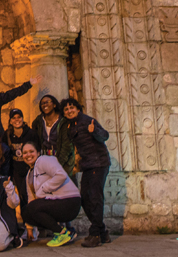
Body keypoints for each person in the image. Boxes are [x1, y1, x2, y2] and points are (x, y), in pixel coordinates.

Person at [61, 97, 111, 247]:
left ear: (77, 109)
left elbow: (105, 135)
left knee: (95, 197)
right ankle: (102, 232)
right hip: (88, 165)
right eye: (66, 109)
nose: (69, 111)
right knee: (84, 198)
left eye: (72, 108)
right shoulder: (71, 126)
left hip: (99, 163)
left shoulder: (88, 121)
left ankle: (95, 234)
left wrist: (94, 130)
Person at [20, 140, 82, 248]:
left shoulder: (44, 160)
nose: (28, 155)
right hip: (56, 203)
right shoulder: (29, 175)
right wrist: (29, 228)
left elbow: (61, 175)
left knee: (32, 207)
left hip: (70, 201)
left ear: (38, 153)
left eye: (31, 151)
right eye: (25, 153)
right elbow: (31, 200)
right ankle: (65, 232)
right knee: (26, 212)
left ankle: (62, 233)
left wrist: (43, 189)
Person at [6, 108, 40, 224]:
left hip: (30, 169)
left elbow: (37, 149)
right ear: (10, 121)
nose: (17, 120)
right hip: (17, 170)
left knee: (34, 196)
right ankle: (28, 224)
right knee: (22, 198)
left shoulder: (31, 133)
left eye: (19, 117)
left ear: (22, 118)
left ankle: (35, 224)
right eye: (14, 118)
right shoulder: (8, 135)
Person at [31, 94, 75, 183]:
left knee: (65, 190)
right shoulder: (38, 122)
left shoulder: (63, 122)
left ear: (54, 104)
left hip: (63, 162)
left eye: (47, 102)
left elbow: (67, 147)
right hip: (45, 161)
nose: (44, 105)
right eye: (42, 103)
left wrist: (57, 166)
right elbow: (36, 141)